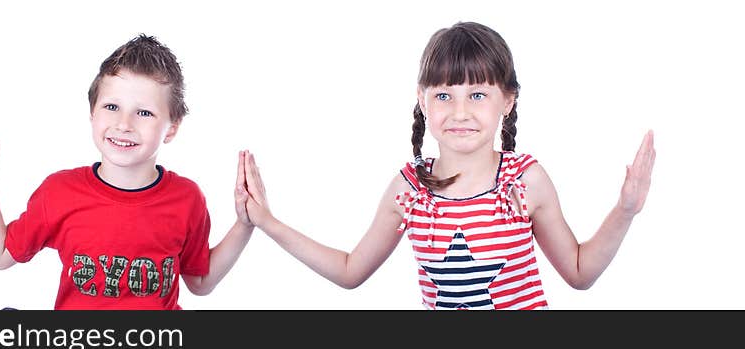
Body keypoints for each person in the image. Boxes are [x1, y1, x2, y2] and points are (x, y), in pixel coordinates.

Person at [239, 21, 656, 310]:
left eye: (477, 95)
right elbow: (350, 271)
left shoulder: (525, 180)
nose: (459, 111)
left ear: (507, 101)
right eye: (444, 96)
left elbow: (580, 273)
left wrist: (625, 210)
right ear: (423, 99)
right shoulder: (410, 190)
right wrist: (268, 222)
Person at [0, 34, 254, 310]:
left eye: (144, 113)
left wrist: (244, 224)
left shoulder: (187, 198)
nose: (123, 124)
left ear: (172, 127)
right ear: (92, 113)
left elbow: (200, 282)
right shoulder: (59, 192)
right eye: (112, 107)